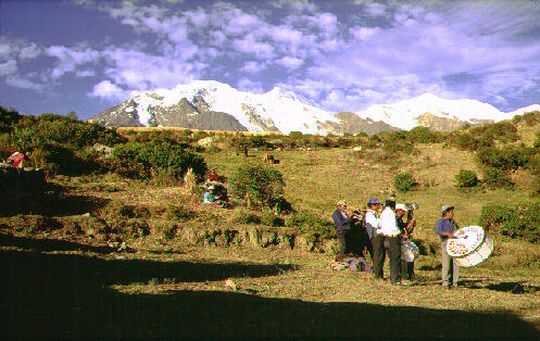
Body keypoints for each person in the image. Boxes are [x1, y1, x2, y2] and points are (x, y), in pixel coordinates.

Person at [373, 198, 402, 285]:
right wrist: (399, 233)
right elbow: (392, 228)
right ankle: (395, 279)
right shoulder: (391, 214)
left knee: (380, 257)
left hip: (382, 236)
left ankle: (378, 276)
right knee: (395, 258)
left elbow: (378, 224)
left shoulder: (383, 213)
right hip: (392, 237)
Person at [436, 205, 460, 288]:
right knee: (446, 263)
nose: (452, 213)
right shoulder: (441, 221)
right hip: (446, 242)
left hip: (454, 243)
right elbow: (438, 231)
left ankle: (455, 282)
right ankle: (445, 282)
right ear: (446, 213)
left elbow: (458, 230)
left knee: (456, 262)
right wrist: (447, 234)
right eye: (451, 212)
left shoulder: (453, 222)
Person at [395, 204, 414, 284]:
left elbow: (404, 227)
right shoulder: (395, 219)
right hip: (399, 240)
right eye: (403, 211)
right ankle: (403, 277)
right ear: (398, 211)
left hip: (402, 240)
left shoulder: (399, 219)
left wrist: (410, 226)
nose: (404, 213)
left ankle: (408, 276)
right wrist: (403, 234)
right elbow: (396, 230)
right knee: (403, 259)